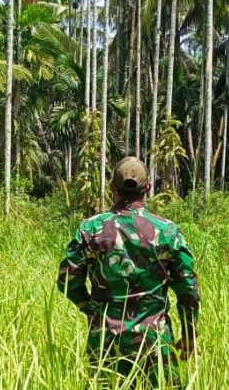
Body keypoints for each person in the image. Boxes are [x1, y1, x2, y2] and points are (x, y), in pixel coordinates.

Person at [57, 157, 200, 389]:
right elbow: (187, 289)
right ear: (149, 188)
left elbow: (68, 280)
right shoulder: (168, 231)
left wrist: (91, 311)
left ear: (112, 187)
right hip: (154, 341)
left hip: (105, 342)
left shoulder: (90, 229)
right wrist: (189, 332)